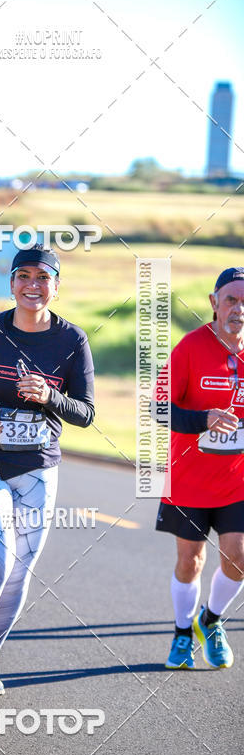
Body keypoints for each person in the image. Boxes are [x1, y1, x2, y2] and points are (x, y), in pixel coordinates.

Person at [0, 244, 95, 700]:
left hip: (37, 467)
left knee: (21, 571)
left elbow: (86, 413)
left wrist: (49, 396)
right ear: (11, 284)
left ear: (56, 286)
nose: (33, 285)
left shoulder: (72, 340)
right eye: (24, 276)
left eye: (43, 277)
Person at [156, 267, 244, 670]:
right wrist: (201, 419)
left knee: (238, 557)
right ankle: (181, 631)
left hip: (237, 480)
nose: (238, 309)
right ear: (214, 303)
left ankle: (211, 620)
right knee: (190, 559)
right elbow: (158, 408)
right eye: (231, 299)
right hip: (189, 479)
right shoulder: (190, 347)